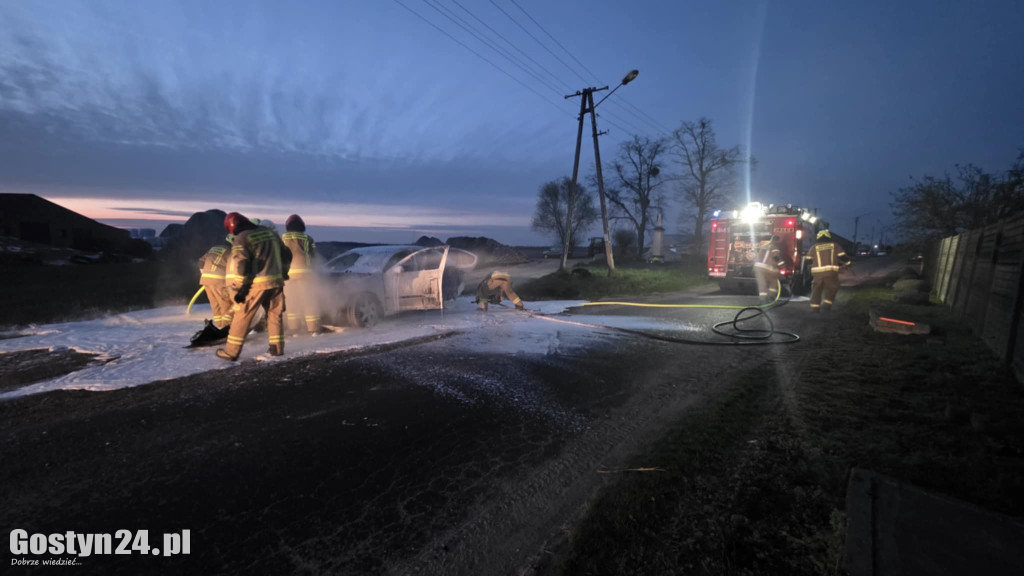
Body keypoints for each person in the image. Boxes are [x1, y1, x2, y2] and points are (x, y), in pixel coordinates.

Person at [216, 212, 292, 360]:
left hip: (256, 284)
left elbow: (241, 263)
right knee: (274, 315)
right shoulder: (270, 233)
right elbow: (286, 255)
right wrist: (283, 273)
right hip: (276, 282)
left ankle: (231, 352)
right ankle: (277, 349)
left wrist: (239, 287)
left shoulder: (242, 237)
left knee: (242, 315)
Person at [281, 214, 321, 335]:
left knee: (292, 302)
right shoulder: (308, 238)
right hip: (305, 273)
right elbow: (314, 256)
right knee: (309, 301)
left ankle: (294, 330)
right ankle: (313, 329)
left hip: (287, 275)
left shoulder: (281, 238)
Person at [805, 229, 851, 312]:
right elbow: (843, 257)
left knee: (816, 290)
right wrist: (848, 264)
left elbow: (808, 260)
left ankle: (815, 308)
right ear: (829, 237)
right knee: (831, 289)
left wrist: (810, 268)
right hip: (831, 273)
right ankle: (826, 305)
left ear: (818, 237)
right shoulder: (835, 245)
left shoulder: (814, 247)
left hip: (817, 274)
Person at [197, 234, 235, 328]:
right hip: (219, 281)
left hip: (206, 280)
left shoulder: (214, 248)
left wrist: (205, 274)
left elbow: (201, 262)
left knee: (215, 305)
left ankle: (219, 326)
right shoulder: (232, 252)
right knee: (226, 304)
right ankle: (225, 327)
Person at [753, 235, 785, 303]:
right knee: (774, 282)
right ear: (777, 241)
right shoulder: (774, 247)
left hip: (758, 268)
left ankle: (763, 300)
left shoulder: (764, 246)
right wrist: (782, 266)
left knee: (762, 284)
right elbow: (776, 257)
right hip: (768, 269)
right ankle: (771, 297)